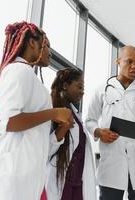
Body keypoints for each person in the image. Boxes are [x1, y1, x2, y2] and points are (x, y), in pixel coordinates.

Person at [0, 21, 73, 200]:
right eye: (47, 45)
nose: (50, 52)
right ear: (32, 42)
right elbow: (7, 121)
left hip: (27, 177)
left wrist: (61, 128)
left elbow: (35, 136)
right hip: (13, 178)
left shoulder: (28, 76)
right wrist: (54, 113)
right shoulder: (17, 71)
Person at [85, 45, 135, 200]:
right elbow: (90, 120)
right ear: (118, 62)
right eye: (129, 62)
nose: (134, 67)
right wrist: (98, 132)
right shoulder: (102, 90)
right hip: (112, 163)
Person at [46, 68, 97, 200]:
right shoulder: (51, 110)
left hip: (78, 183)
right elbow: (45, 150)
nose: (83, 92)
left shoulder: (74, 114)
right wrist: (63, 129)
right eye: (79, 86)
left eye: (83, 87)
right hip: (61, 182)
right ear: (65, 85)